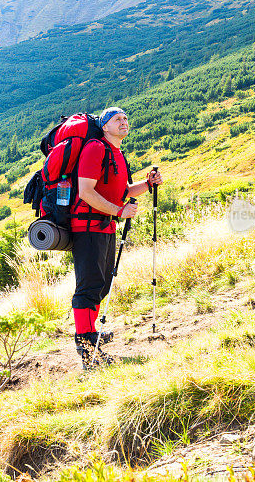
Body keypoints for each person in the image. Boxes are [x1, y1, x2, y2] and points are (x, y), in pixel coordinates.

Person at [69, 106, 163, 369]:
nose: (123, 122)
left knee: (102, 285)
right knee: (88, 286)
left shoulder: (117, 154)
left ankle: (91, 339)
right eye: (117, 119)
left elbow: (122, 191)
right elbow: (86, 191)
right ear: (105, 126)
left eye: (125, 118)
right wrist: (120, 210)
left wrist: (148, 185)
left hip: (105, 226)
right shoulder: (95, 149)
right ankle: (86, 345)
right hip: (87, 227)